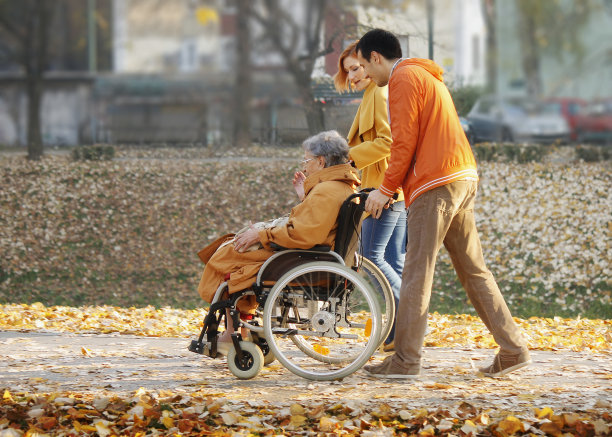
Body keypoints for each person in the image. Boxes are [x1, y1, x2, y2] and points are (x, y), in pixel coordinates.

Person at [355, 29, 530, 378]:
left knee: (417, 272)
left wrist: (385, 189)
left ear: (376, 56)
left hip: (435, 183)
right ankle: (513, 349)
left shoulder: (403, 78)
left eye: (363, 64)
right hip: (462, 177)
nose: (364, 74)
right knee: (472, 268)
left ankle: (405, 361)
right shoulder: (424, 75)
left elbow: (402, 143)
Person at [197, 130, 360, 354]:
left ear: (321, 161)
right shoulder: (338, 187)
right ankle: (238, 330)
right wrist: (305, 197)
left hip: (304, 259)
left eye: (307, 160)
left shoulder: (326, 191)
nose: (304, 166)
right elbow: (316, 224)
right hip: (312, 255)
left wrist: (262, 235)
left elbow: (304, 235)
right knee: (234, 247)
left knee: (228, 254)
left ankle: (233, 333)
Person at [333, 40, 406, 350]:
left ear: (369, 62)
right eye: (348, 71)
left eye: (356, 68)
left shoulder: (377, 93)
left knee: (373, 259)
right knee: (394, 260)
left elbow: (389, 142)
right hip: (395, 191)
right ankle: (404, 331)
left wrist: (348, 156)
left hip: (382, 191)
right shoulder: (372, 95)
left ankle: (406, 326)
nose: (352, 75)